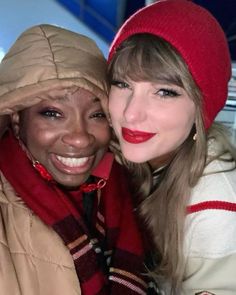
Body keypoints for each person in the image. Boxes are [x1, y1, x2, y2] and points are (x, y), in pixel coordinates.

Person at [0, 24, 150, 295]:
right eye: (53, 114)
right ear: (16, 118)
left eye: (97, 115)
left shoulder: (133, 185)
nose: (80, 138)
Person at [107, 0, 236, 294]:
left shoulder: (217, 208)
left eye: (165, 92)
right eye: (122, 84)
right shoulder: (126, 159)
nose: (131, 114)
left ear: (202, 108)